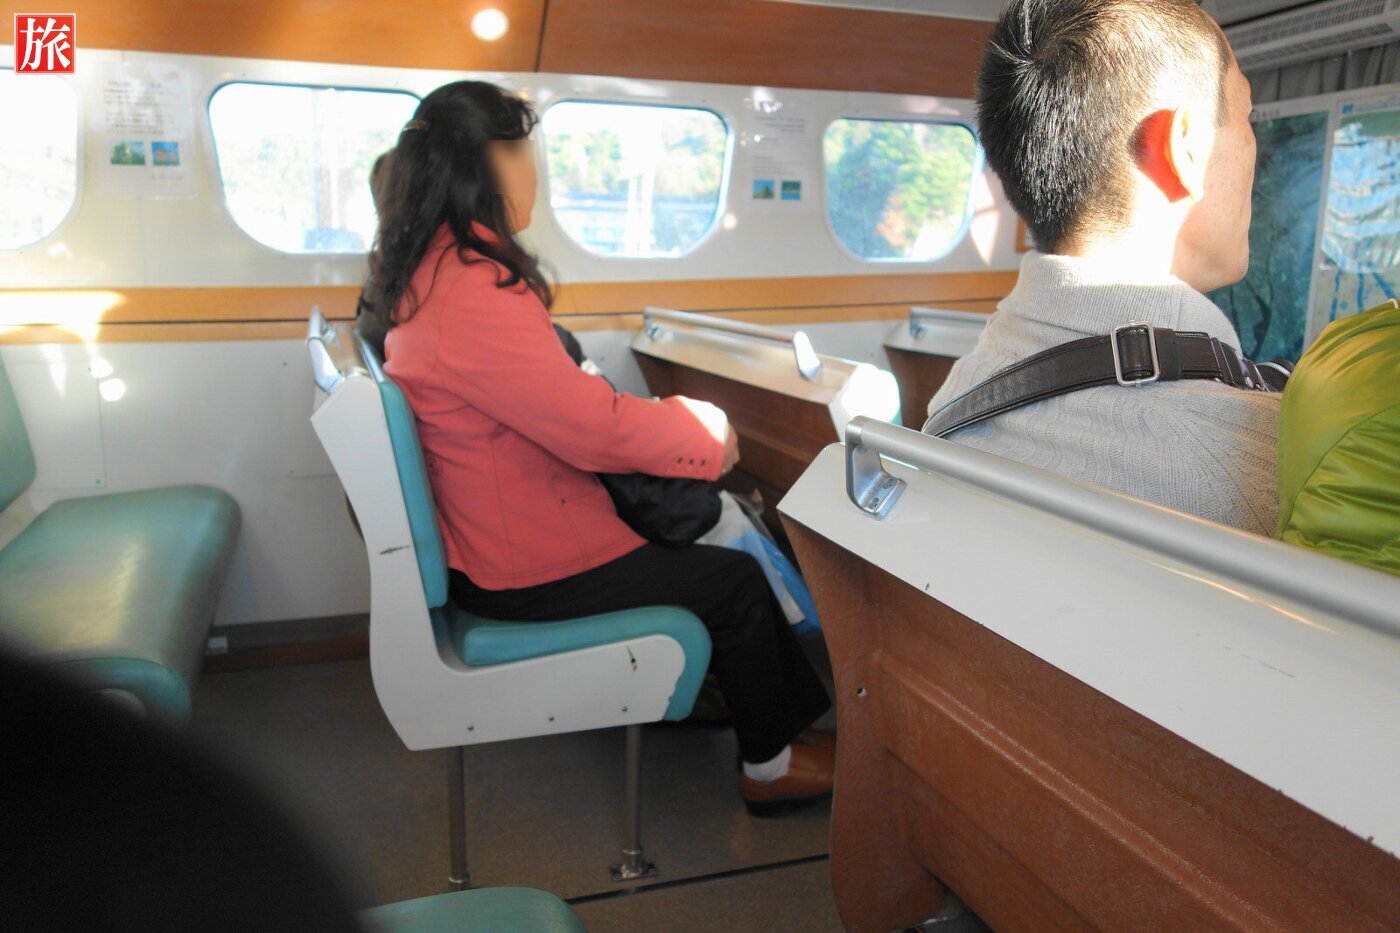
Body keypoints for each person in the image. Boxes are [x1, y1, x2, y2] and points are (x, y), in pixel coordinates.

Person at [357, 81, 832, 814]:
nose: (534, 173)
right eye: (523, 154)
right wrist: (702, 436)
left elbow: (564, 413)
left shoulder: (429, 272)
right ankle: (770, 766)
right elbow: (591, 428)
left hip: (499, 542)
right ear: (485, 164)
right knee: (732, 582)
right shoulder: (473, 290)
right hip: (524, 566)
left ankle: (755, 724)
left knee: (692, 544)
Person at [929, 0, 1279, 535]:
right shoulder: (1260, 464)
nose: (1255, 146)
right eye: (1246, 114)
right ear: (1186, 149)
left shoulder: (958, 397)